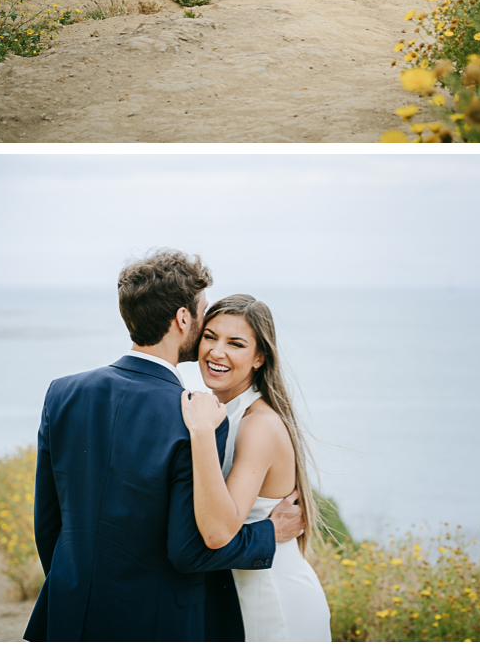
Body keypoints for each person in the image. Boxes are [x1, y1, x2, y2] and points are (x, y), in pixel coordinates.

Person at [23, 251, 304, 643]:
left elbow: (49, 522)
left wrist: (75, 583)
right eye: (204, 313)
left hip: (70, 609)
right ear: (184, 319)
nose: (206, 324)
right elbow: (189, 550)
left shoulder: (64, 393)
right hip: (157, 623)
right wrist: (266, 534)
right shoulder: (195, 416)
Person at [181, 294, 332, 642]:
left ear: (259, 358)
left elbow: (219, 532)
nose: (217, 352)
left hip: (271, 599)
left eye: (235, 343)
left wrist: (201, 434)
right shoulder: (224, 411)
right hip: (237, 597)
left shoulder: (258, 425)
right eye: (210, 336)